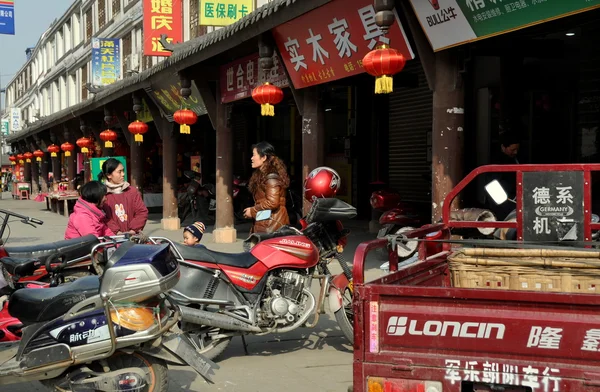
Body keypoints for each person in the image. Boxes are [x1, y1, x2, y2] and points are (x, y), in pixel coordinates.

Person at [243, 141, 290, 234]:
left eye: (254, 155)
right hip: (266, 223)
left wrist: (252, 211)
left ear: (263, 157)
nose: (251, 158)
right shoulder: (263, 176)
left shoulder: (271, 177)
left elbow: (272, 202)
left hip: (272, 225)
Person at [99, 158, 148, 235]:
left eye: (123, 171)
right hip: (112, 239)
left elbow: (142, 211)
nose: (123, 174)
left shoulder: (132, 191)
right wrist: (117, 232)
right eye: (119, 172)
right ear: (109, 175)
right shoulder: (102, 194)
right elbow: (102, 216)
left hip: (134, 236)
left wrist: (133, 230)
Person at [488, 131, 520, 220]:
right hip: (504, 202)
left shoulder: (514, 159)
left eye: (517, 149)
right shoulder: (497, 163)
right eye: (512, 150)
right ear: (503, 147)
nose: (515, 152)